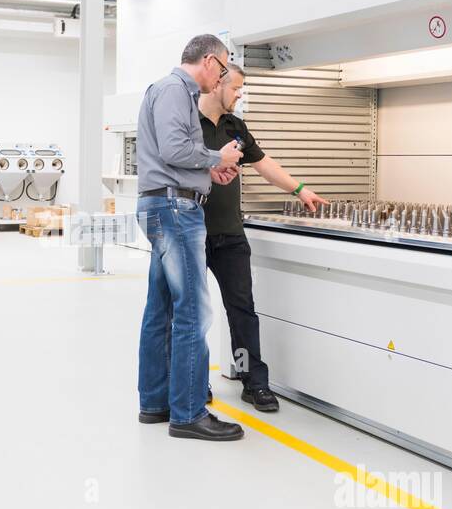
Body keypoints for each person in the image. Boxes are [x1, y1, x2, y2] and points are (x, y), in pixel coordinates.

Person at [199, 64, 327, 412]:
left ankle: (252, 381)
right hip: (191, 233)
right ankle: (195, 380)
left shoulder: (235, 126)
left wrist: (300, 189)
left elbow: (264, 164)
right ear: (216, 83)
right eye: (236, 88)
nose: (240, 95)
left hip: (230, 233)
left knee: (242, 310)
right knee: (193, 314)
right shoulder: (185, 123)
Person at [136, 35, 245, 441]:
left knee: (161, 308)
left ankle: (157, 402)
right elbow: (174, 148)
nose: (222, 80)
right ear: (210, 60)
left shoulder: (172, 93)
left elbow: (179, 155)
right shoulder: (173, 90)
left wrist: (207, 174)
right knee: (193, 313)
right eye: (223, 69)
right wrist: (220, 157)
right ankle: (189, 412)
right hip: (175, 213)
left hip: (167, 206)